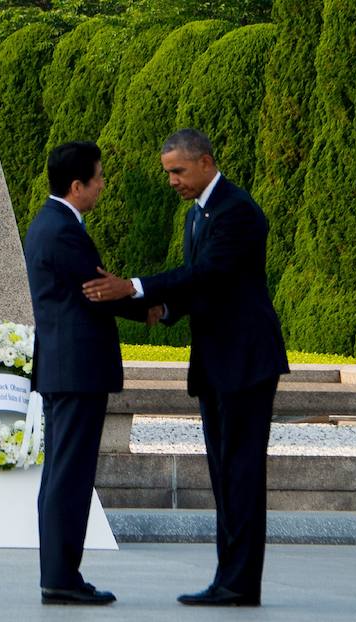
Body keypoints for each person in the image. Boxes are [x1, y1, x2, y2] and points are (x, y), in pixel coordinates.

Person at [82, 128, 289, 606]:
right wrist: (164, 311)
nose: (172, 181)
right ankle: (228, 579)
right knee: (223, 472)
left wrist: (134, 287)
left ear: (206, 162)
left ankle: (239, 584)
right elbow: (203, 289)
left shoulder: (236, 210)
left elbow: (208, 273)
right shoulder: (197, 216)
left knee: (240, 472)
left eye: (178, 171)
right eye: (168, 173)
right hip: (218, 362)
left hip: (245, 362)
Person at [24, 141, 160, 606]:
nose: (103, 184)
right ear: (77, 185)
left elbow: (98, 288)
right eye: (98, 177)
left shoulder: (52, 224)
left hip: (65, 370)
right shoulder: (63, 230)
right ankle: (61, 578)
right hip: (77, 370)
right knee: (70, 475)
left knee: (63, 473)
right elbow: (98, 290)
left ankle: (60, 573)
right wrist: (150, 306)